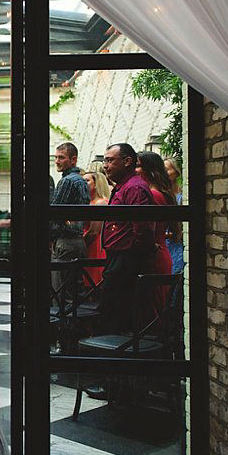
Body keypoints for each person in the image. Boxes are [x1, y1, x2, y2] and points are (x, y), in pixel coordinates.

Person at [99, 143, 156, 334]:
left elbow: (142, 229)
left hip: (126, 260)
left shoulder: (134, 188)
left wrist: (131, 256)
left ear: (127, 161)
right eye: (104, 160)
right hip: (119, 258)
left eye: (110, 160)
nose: (105, 165)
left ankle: (119, 357)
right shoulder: (125, 187)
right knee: (113, 310)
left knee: (119, 313)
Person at [136, 151, 179, 313]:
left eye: (138, 166)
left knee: (153, 309)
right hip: (158, 252)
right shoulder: (159, 192)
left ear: (150, 169)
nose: (135, 170)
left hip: (154, 255)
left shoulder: (153, 195)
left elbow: (148, 230)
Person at [50, 142, 91, 301]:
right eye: (56, 157)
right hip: (77, 241)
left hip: (66, 241)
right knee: (74, 291)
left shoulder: (68, 181)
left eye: (61, 157)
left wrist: (51, 237)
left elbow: (55, 212)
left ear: (73, 159)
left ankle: (64, 325)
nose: (57, 161)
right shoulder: (80, 180)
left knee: (61, 294)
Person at [82, 170, 111, 284]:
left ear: (96, 183)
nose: (84, 183)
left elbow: (94, 231)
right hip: (88, 242)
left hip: (94, 244)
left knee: (93, 279)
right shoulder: (88, 201)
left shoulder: (100, 203)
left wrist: (82, 244)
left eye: (87, 181)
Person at [163, 157, 185, 273]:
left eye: (167, 169)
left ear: (176, 172)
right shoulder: (161, 194)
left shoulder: (182, 196)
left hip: (176, 243)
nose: (164, 173)